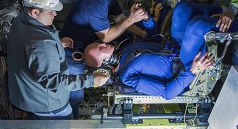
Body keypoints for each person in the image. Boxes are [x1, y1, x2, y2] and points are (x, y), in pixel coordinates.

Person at [7, 0, 109, 120]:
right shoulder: (41, 43)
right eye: (51, 11)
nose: (55, 14)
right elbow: (52, 81)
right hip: (49, 106)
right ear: (35, 12)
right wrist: (92, 81)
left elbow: (30, 50)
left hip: (31, 96)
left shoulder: (20, 21)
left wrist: (57, 43)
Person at [60, 0, 148, 117]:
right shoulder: (95, 2)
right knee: (75, 95)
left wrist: (144, 34)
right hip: (72, 53)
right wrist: (131, 19)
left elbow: (119, 19)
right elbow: (106, 37)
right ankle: (71, 123)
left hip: (86, 46)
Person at [83, 39, 214, 100]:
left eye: (98, 43)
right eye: (99, 48)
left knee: (182, 10)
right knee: (197, 26)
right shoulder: (127, 77)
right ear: (104, 65)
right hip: (187, 67)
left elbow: (153, 38)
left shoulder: (125, 49)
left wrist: (149, 20)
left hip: (181, 49)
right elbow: (168, 93)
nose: (102, 43)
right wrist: (193, 71)